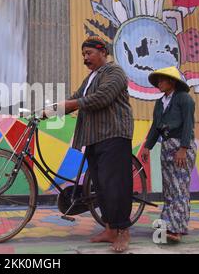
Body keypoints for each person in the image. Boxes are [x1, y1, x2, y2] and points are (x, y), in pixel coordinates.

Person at [44, 36, 134, 252]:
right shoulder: (90, 79)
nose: (85, 58)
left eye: (89, 53)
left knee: (115, 186)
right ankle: (110, 229)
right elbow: (75, 99)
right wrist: (47, 111)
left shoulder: (115, 72)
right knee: (101, 187)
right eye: (83, 54)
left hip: (114, 135)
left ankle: (123, 232)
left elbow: (102, 98)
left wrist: (70, 103)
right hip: (94, 137)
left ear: (103, 52)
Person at [141, 66, 196, 243]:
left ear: (171, 82)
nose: (158, 83)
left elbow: (188, 124)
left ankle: (176, 229)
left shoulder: (184, 99)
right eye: (157, 80)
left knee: (179, 186)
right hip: (166, 146)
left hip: (181, 145)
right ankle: (173, 224)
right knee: (169, 188)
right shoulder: (160, 102)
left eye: (162, 80)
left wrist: (183, 148)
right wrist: (147, 147)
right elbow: (156, 126)